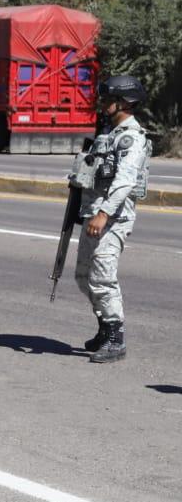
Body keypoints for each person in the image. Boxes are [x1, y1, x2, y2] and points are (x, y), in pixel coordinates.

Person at [76, 74, 152, 363]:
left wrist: (104, 213)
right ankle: (105, 328)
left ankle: (116, 339)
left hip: (113, 218)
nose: (103, 103)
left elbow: (124, 181)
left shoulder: (132, 138)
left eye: (109, 99)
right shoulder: (108, 134)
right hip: (94, 214)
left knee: (103, 278)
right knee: (84, 276)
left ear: (124, 102)